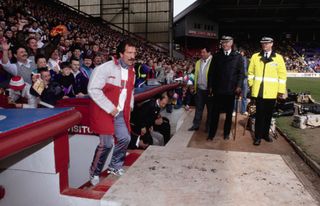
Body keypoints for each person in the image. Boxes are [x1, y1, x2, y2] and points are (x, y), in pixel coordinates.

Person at [88, 39, 136, 185]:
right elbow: (92, 89)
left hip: (120, 113)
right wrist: (110, 108)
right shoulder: (104, 68)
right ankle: (94, 172)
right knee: (107, 144)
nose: (133, 56)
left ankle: (115, 166)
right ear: (121, 54)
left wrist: (131, 105)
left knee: (125, 138)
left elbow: (130, 91)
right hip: (104, 112)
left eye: (134, 52)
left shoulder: (132, 70)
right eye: (129, 52)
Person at [248, 37, 287, 146]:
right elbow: (250, 73)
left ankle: (265, 134)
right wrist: (251, 85)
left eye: (267, 43)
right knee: (259, 115)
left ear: (271, 44)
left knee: (268, 115)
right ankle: (257, 137)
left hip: (272, 93)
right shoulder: (255, 56)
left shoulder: (278, 58)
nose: (264, 45)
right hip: (259, 92)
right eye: (263, 43)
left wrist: (280, 91)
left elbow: (282, 76)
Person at [207, 36, 244, 140]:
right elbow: (211, 73)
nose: (225, 44)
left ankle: (226, 133)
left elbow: (241, 74)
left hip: (231, 90)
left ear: (231, 43)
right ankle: (211, 134)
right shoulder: (216, 56)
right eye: (223, 42)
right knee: (215, 113)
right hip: (218, 90)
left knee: (228, 114)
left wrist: (239, 86)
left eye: (227, 42)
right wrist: (210, 86)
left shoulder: (238, 56)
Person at [188, 47, 212, 132]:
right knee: (198, 108)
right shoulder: (198, 62)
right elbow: (192, 74)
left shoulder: (214, 62)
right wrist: (191, 85)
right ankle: (196, 125)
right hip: (199, 89)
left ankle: (208, 127)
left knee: (210, 110)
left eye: (203, 52)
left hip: (210, 90)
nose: (201, 54)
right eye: (201, 52)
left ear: (209, 53)